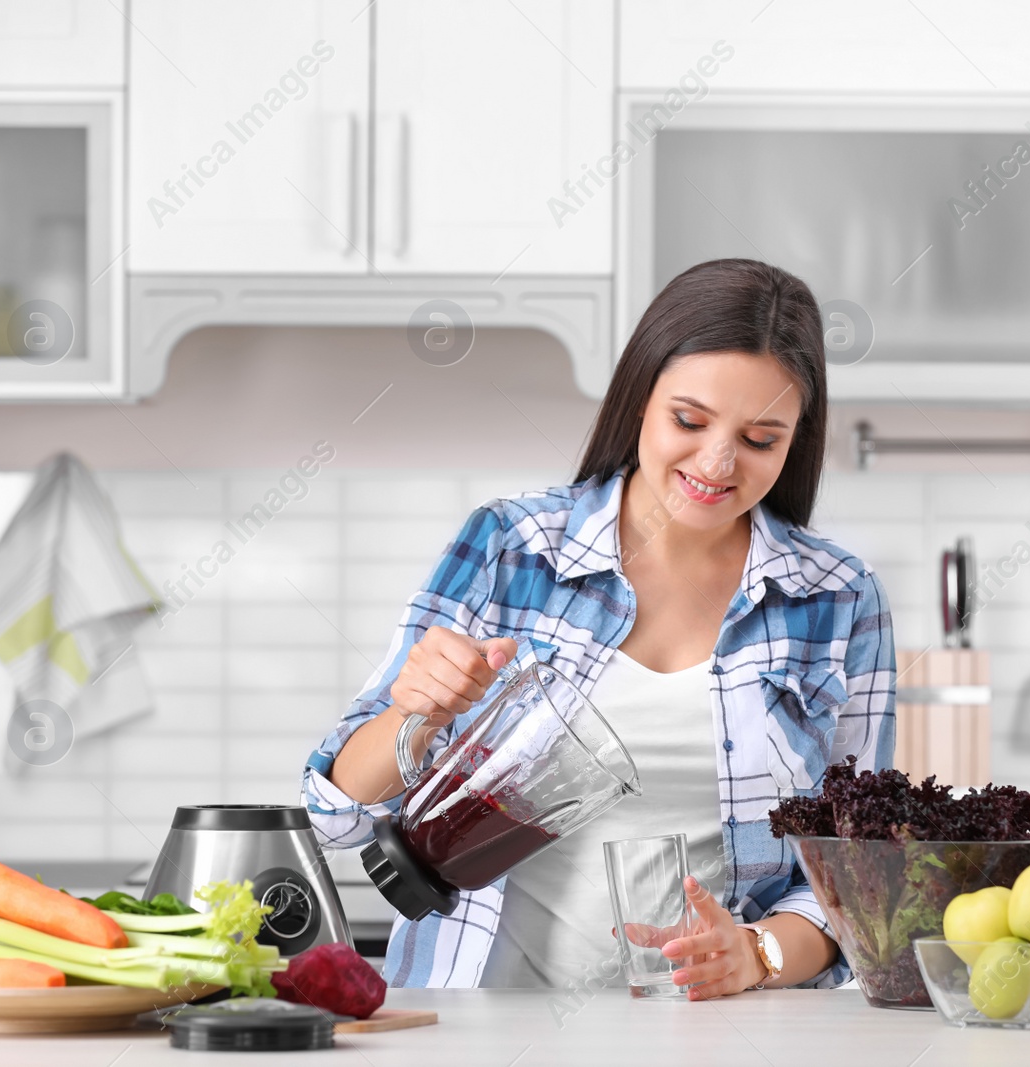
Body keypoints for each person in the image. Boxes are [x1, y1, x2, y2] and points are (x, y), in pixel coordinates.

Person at [303, 258, 896, 998]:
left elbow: (858, 882)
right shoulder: (510, 548)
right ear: (639, 396)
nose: (717, 461)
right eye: (690, 419)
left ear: (796, 441)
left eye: (761, 438)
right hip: (484, 1029)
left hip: (720, 1039)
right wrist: (414, 711)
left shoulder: (839, 598)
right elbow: (334, 818)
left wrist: (757, 952)